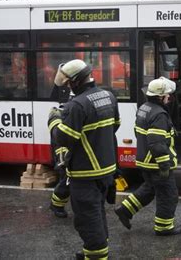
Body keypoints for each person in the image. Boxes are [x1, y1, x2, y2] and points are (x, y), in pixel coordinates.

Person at [48, 59, 120, 260]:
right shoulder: (108, 96)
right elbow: (114, 126)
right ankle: (93, 250)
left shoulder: (76, 105)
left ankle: (96, 255)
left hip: (85, 172)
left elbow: (63, 138)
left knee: (87, 218)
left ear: (75, 82)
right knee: (97, 213)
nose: (68, 86)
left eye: (69, 82)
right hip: (106, 169)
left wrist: (54, 120)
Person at [114, 77, 181, 236]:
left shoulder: (144, 108)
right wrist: (164, 164)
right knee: (168, 195)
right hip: (156, 163)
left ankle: (125, 210)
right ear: (160, 97)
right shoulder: (159, 114)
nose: (169, 98)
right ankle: (164, 227)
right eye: (167, 95)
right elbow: (157, 143)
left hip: (145, 161)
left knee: (149, 189)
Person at [48, 91, 74, 218]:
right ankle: (56, 204)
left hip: (70, 150)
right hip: (62, 152)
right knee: (66, 180)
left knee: (70, 180)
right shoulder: (56, 114)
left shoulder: (72, 112)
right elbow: (57, 134)